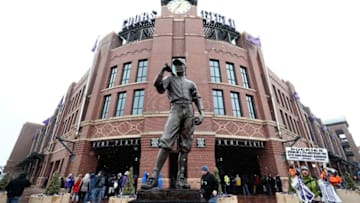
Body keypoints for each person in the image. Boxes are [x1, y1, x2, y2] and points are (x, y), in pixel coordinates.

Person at [141, 59, 204, 189]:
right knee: (166, 141)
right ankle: (153, 177)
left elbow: (197, 98)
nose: (178, 67)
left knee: (185, 146)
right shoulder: (169, 79)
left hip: (189, 110)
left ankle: (181, 178)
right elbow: (158, 86)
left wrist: (201, 113)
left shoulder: (190, 83)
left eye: (180, 64)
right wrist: (163, 71)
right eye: (176, 65)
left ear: (185, 67)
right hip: (175, 109)